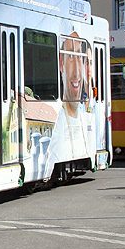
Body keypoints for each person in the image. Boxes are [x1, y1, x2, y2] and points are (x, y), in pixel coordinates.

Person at [42, 32, 91, 180]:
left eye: (80, 58)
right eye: (70, 56)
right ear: (61, 64)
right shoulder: (56, 120)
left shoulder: (85, 114)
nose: (77, 72)